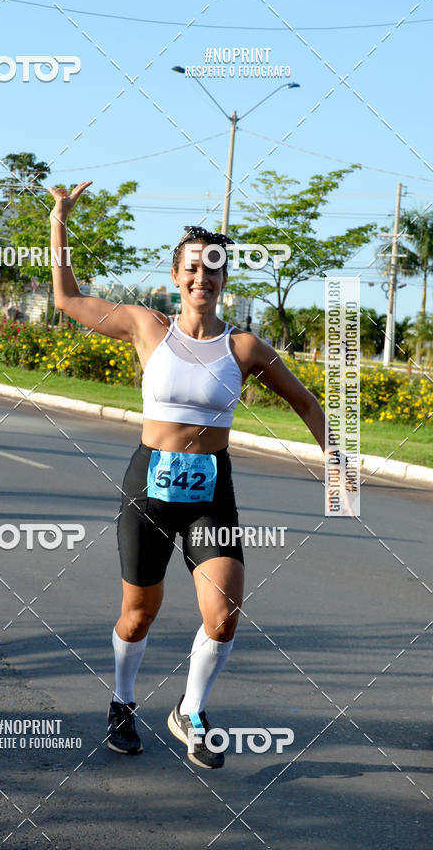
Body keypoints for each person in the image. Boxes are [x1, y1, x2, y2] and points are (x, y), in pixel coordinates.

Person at [48, 181, 342, 770]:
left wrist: (337, 462)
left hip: (211, 490)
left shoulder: (244, 347)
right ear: (176, 275)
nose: (201, 278)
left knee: (223, 614)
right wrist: (59, 220)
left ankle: (191, 710)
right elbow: (67, 298)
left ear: (224, 278)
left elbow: (306, 402)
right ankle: (123, 702)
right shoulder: (146, 326)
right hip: (149, 486)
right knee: (138, 615)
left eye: (212, 269)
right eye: (192, 268)